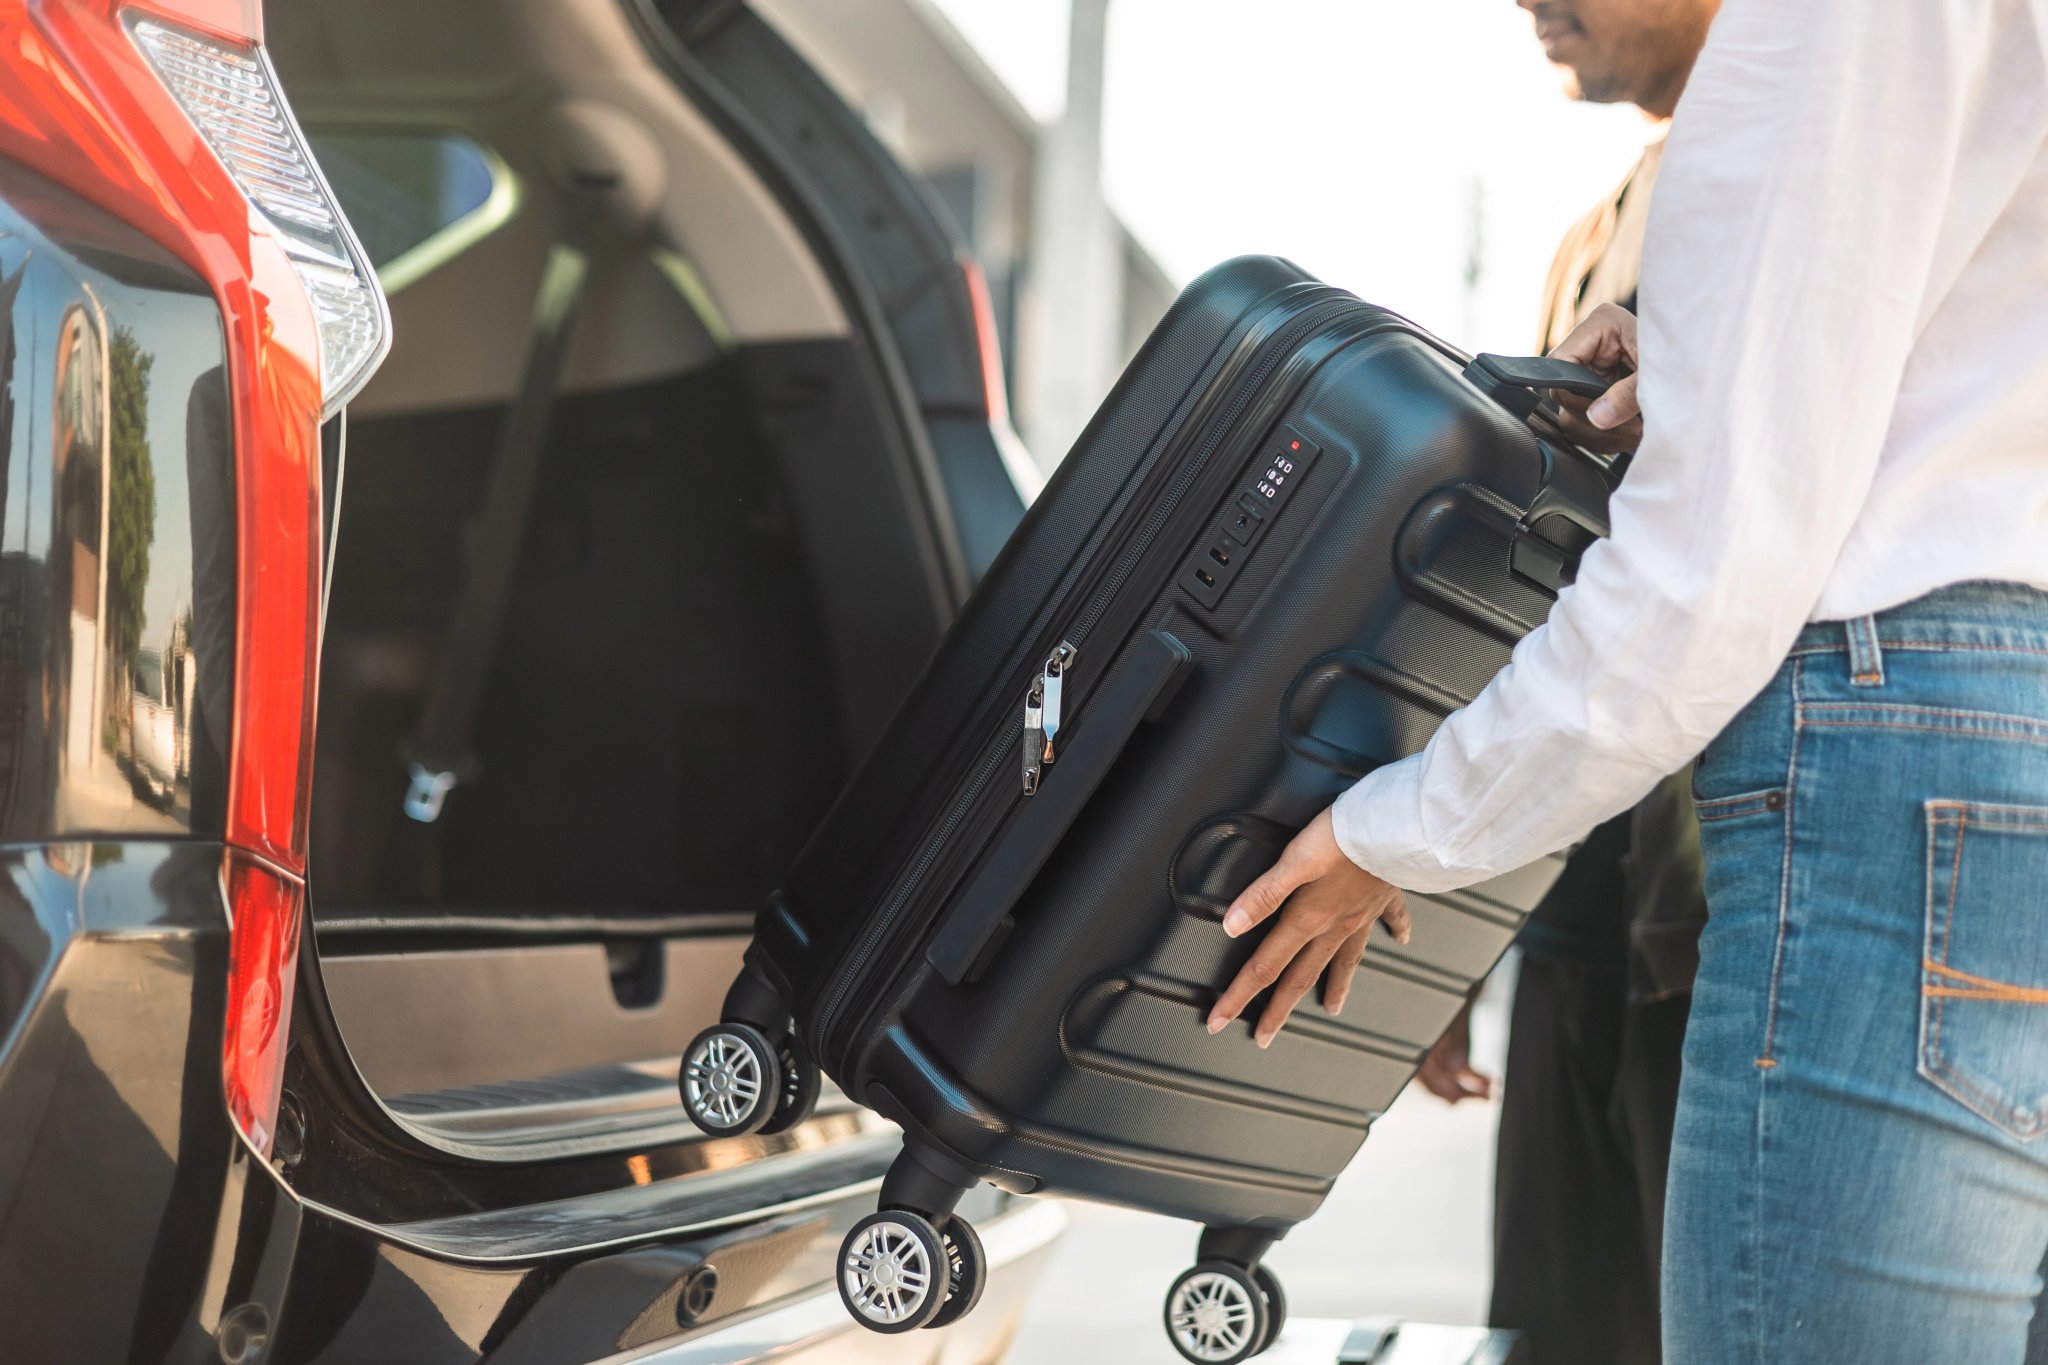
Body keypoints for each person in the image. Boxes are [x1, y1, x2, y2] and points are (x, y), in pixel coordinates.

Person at [1205, 0, 2048, 1360]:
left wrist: (1399, 832)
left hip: (1887, 759)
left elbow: (1709, 571)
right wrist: (1712, 384)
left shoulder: (1813, 34)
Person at [1416, 4, 1716, 1361]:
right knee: (1552, 1333)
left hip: (1724, 907)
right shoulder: (1591, 235)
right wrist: (1454, 930)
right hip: (1572, 899)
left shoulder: (1799, 177)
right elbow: (1522, 594)